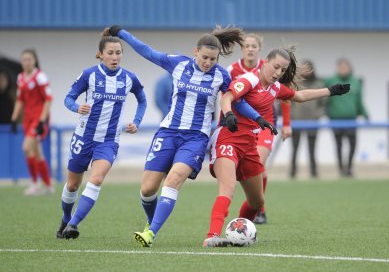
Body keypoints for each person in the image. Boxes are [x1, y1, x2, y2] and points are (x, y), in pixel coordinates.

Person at [108, 25, 272, 247]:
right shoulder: (178, 64)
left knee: (174, 179)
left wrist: (257, 118)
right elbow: (147, 51)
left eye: (213, 59)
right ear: (195, 52)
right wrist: (121, 33)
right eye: (205, 57)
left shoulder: (221, 75)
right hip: (168, 132)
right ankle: (151, 222)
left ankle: (151, 233)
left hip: (196, 138)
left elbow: (237, 99)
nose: (208, 62)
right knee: (147, 189)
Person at [204, 45, 350, 247]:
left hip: (249, 144)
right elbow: (227, 97)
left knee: (257, 202)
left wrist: (331, 91)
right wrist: (228, 114)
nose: (278, 73)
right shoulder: (249, 79)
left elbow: (299, 96)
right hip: (228, 138)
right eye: (276, 67)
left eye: (282, 70)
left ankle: (237, 231)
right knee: (227, 189)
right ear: (265, 62)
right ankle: (211, 236)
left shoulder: (275, 88)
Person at [56, 29, 147, 239]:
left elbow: (142, 100)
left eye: (118, 53)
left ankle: (74, 225)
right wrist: (76, 107)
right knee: (72, 184)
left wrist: (137, 122)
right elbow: (68, 98)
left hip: (108, 141)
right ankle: (66, 217)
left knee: (96, 180)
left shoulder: (129, 78)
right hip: (83, 138)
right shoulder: (89, 75)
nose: (115, 57)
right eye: (110, 53)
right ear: (100, 54)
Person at [227, 33, 293, 224]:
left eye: (254, 46)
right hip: (242, 124)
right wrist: (222, 123)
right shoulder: (232, 70)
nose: (250, 49)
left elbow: (286, 95)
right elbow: (227, 96)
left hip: (265, 123)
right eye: (246, 46)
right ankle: (256, 207)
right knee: (253, 170)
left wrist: (287, 123)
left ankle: (259, 210)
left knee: (258, 165)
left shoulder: (271, 67)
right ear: (242, 49)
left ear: (259, 49)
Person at [10, 49, 53, 195]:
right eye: (24, 60)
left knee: (26, 148)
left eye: (29, 59)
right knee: (37, 152)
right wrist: (14, 118)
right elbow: (20, 100)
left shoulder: (40, 77)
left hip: (38, 119)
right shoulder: (21, 77)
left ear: (34, 61)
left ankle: (35, 184)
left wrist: (42, 121)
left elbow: (48, 100)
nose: (26, 62)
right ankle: (48, 185)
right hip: (27, 119)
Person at [325, 58, 369, 177]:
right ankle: (341, 169)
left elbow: (359, 101)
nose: (343, 69)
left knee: (352, 144)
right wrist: (324, 113)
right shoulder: (331, 81)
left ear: (349, 68)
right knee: (338, 145)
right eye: (341, 67)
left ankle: (349, 168)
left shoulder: (355, 82)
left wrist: (365, 115)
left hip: (351, 120)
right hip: (335, 119)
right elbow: (322, 97)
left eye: (345, 67)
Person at [290, 60, 326, 178]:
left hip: (312, 122)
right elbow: (287, 101)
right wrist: (292, 115)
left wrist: (317, 115)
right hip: (296, 121)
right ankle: (293, 172)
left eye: (308, 68)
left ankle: (314, 173)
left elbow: (323, 103)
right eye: (303, 68)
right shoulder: (294, 84)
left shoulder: (319, 84)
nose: (305, 71)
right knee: (295, 148)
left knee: (312, 149)